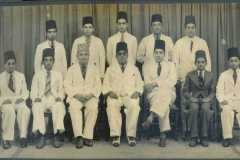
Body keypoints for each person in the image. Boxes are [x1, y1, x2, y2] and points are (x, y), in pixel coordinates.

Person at [103, 42, 143, 147]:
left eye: (124, 54)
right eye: (119, 54)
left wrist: (137, 92)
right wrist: (109, 92)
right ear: (116, 56)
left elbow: (140, 84)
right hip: (115, 95)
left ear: (127, 55)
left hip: (130, 95)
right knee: (111, 105)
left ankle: (131, 135)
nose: (121, 56)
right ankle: (116, 135)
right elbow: (105, 85)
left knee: (134, 106)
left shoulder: (134, 69)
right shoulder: (110, 69)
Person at [65, 43, 102, 149]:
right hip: (76, 96)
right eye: (81, 54)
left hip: (90, 96)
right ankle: (79, 136)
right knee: (74, 108)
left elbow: (98, 85)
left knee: (93, 108)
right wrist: (76, 95)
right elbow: (67, 85)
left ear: (89, 56)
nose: (84, 56)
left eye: (86, 54)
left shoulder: (94, 69)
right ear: (77, 56)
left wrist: (91, 94)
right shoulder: (71, 69)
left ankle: (88, 136)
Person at [142, 40, 177, 147]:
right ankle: (163, 135)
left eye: (161, 52)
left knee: (165, 94)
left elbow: (172, 81)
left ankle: (151, 116)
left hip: (169, 92)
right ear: (153, 53)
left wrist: (156, 83)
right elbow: (147, 85)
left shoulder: (170, 65)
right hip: (153, 94)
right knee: (165, 104)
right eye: (156, 52)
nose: (158, 55)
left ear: (164, 53)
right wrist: (159, 84)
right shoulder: (147, 66)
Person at [31, 48, 65, 149]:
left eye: (50, 60)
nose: (48, 62)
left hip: (54, 98)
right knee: (36, 106)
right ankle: (42, 135)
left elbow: (61, 90)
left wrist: (60, 97)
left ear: (53, 61)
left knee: (59, 105)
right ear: (43, 61)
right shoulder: (37, 75)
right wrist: (35, 98)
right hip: (41, 99)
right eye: (46, 60)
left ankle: (56, 135)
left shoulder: (58, 74)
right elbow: (33, 90)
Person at [182, 50, 215, 147]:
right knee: (194, 108)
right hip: (194, 99)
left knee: (205, 109)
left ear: (206, 63)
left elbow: (213, 91)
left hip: (205, 99)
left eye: (202, 62)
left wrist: (208, 99)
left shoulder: (211, 75)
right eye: (198, 62)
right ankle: (194, 137)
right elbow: (185, 90)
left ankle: (204, 137)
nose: (200, 64)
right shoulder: (190, 74)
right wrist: (191, 98)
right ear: (195, 63)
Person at [0, 50, 30, 149]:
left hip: (18, 100)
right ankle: (6, 138)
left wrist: (22, 99)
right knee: (9, 111)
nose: (11, 66)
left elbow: (26, 92)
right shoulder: (0, 77)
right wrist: (3, 101)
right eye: (9, 64)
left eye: (13, 63)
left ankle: (23, 137)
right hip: (5, 101)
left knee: (24, 110)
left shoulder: (21, 76)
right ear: (4, 65)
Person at [137, 13, 174, 80]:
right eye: (154, 25)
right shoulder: (145, 40)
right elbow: (139, 57)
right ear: (151, 27)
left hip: (165, 71)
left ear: (162, 26)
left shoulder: (168, 40)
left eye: (159, 25)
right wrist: (148, 60)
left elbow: (172, 56)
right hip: (150, 71)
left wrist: (164, 60)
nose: (157, 27)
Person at [216, 47, 240, 147]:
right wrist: (222, 100)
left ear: (239, 61)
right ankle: (227, 137)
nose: (233, 63)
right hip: (228, 101)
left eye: (236, 60)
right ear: (228, 62)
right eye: (231, 61)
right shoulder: (223, 75)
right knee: (226, 111)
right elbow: (219, 91)